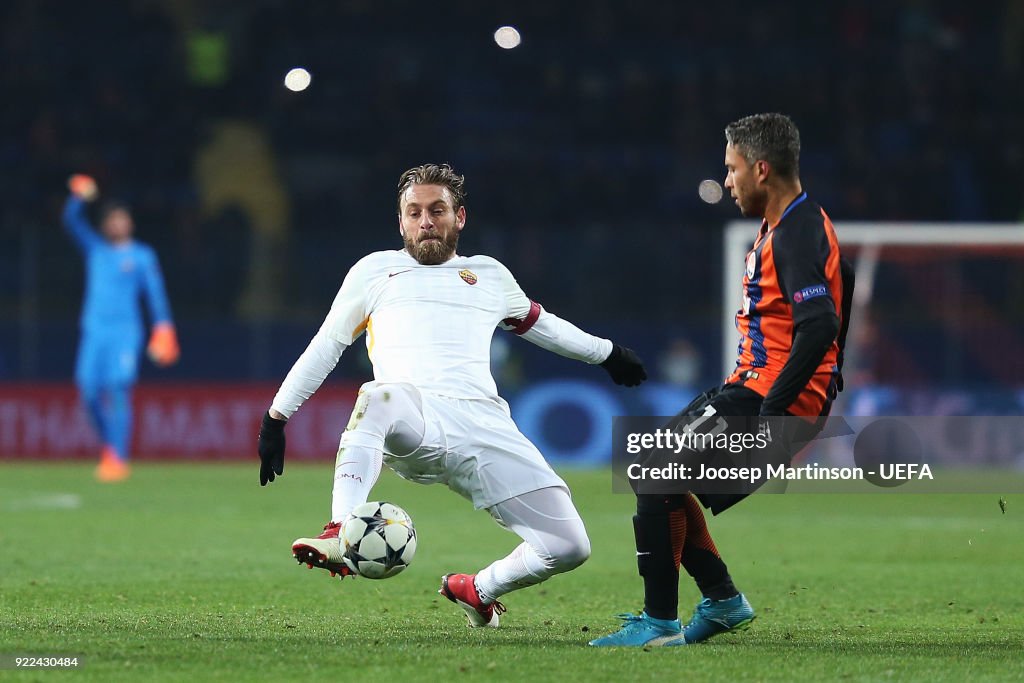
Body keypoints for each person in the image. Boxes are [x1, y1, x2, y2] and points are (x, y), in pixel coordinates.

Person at [257, 163, 647, 627]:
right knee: (379, 396)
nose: (426, 221)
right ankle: (342, 531)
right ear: (400, 221)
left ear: (459, 217)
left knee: (569, 546)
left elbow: (543, 326)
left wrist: (607, 354)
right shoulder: (374, 272)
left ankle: (478, 589)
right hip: (414, 419)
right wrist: (277, 416)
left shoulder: (489, 275)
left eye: (437, 210)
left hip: (484, 426)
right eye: (415, 212)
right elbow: (327, 345)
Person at [590, 113, 853, 647]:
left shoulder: (798, 231)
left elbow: (821, 321)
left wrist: (777, 409)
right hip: (757, 386)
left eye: (732, 169)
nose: (727, 181)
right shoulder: (797, 224)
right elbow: (837, 292)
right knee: (655, 472)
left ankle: (662, 623)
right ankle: (722, 601)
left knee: (653, 473)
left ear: (761, 169)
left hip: (769, 396)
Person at [63, 174, 180, 482]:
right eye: (113, 220)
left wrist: (164, 327)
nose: (118, 224)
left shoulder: (142, 256)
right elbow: (71, 221)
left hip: (125, 334)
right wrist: (78, 197)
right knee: (87, 391)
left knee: (117, 391)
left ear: (130, 223)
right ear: (105, 226)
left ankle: (118, 457)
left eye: (123, 219)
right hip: (93, 333)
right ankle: (109, 448)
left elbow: (155, 294)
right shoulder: (96, 251)